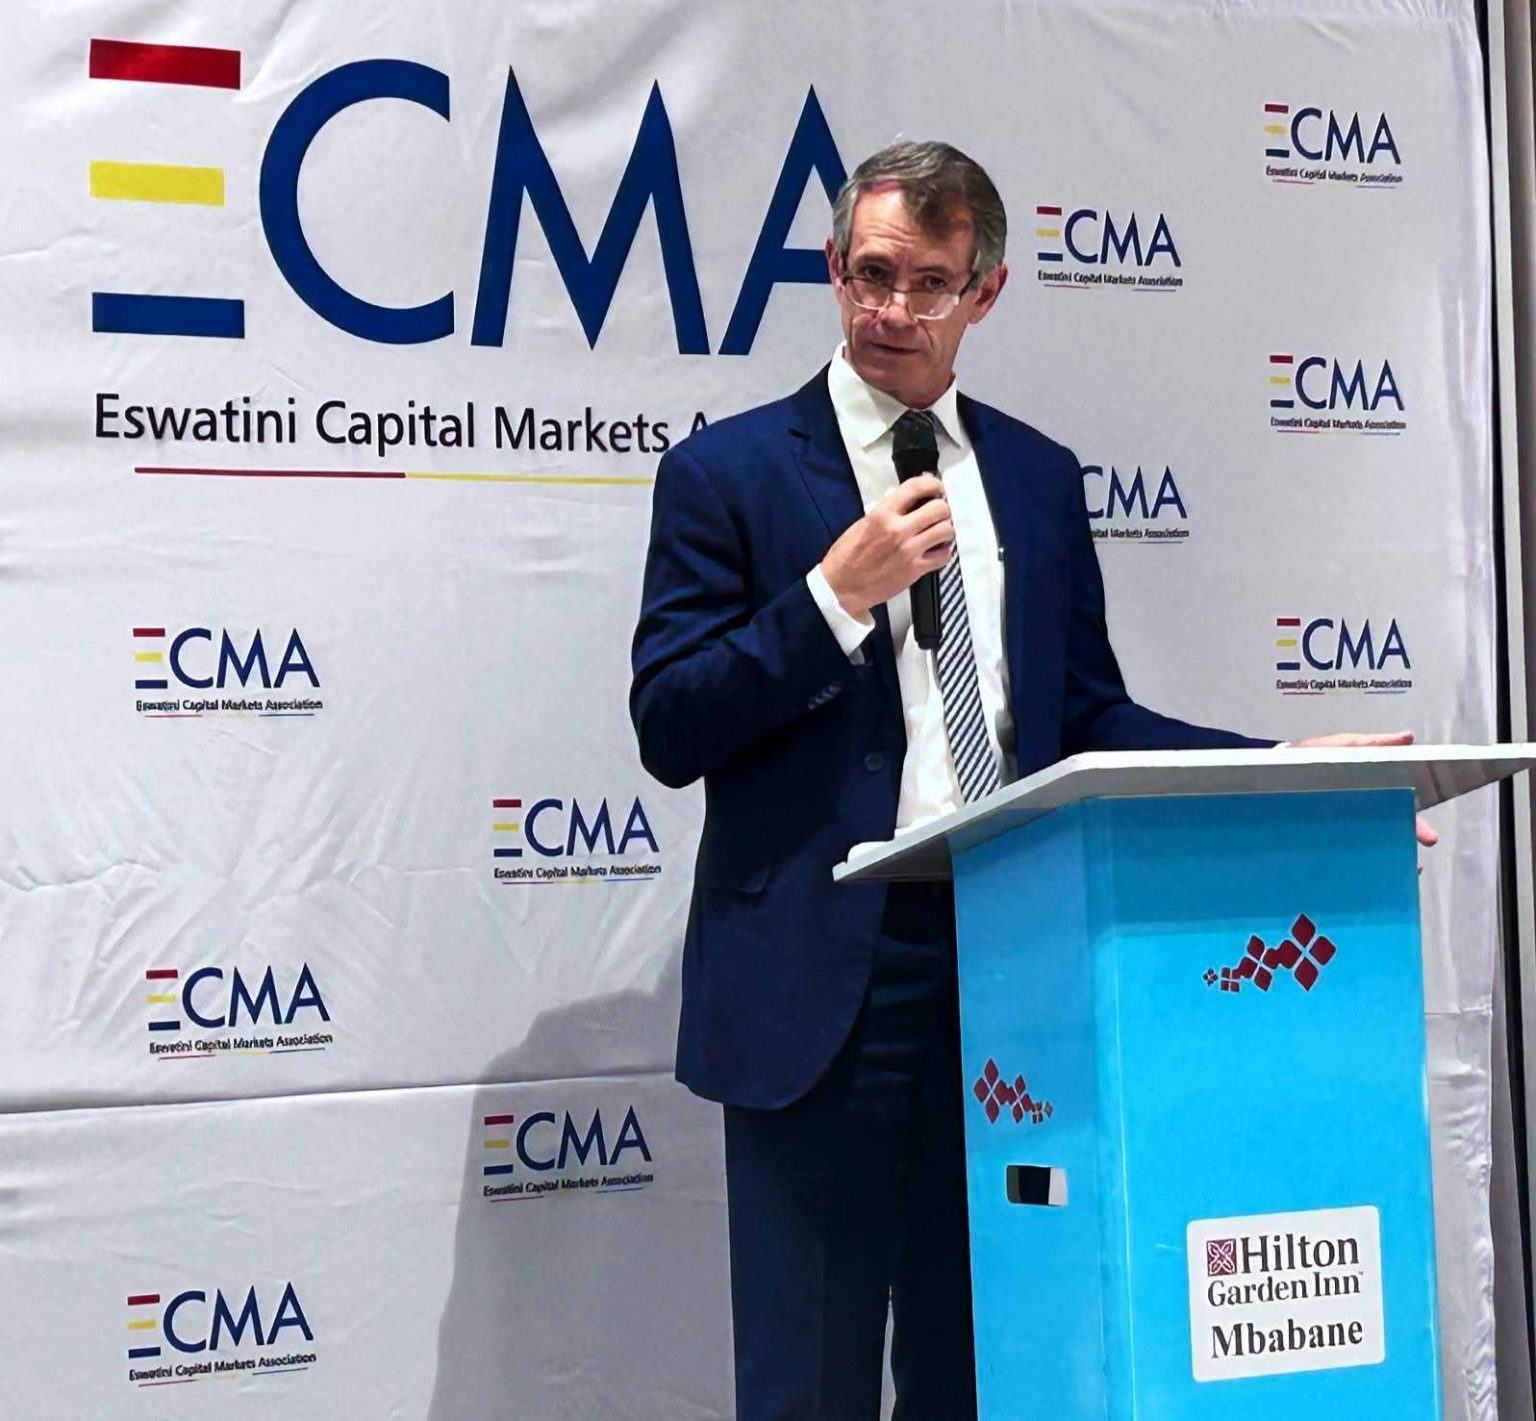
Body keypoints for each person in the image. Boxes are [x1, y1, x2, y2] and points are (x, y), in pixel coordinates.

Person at [629, 140, 1424, 1421]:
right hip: (820, 988)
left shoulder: (1040, 480)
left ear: (984, 293)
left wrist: (1276, 766)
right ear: (833, 269)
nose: (893, 310)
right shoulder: (728, 472)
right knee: (808, 1381)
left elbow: (1086, 717)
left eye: (928, 283)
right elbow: (670, 725)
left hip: (1014, 968)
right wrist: (833, 596)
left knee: (987, 1364)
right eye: (871, 274)